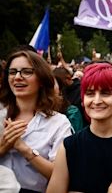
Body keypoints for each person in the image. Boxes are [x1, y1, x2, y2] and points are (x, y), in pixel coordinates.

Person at [47, 63, 112, 193]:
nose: (97, 100)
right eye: (90, 93)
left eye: (105, 93)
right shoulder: (70, 146)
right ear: (83, 99)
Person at [0, 50, 72, 192]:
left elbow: (61, 176)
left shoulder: (58, 123)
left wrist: (24, 149)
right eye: (13, 72)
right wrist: (3, 147)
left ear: (41, 79)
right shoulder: (0, 115)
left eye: (27, 72)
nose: (18, 77)